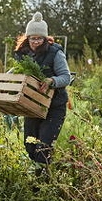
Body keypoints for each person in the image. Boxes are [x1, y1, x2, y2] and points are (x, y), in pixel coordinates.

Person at [14, 12, 72, 172]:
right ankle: (37, 183)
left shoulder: (55, 53)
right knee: (30, 147)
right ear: (28, 38)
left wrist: (51, 81)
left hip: (54, 107)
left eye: (40, 38)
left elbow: (66, 77)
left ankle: (43, 186)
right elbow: (15, 71)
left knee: (43, 149)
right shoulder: (23, 54)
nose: (36, 42)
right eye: (33, 38)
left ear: (45, 38)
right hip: (32, 106)